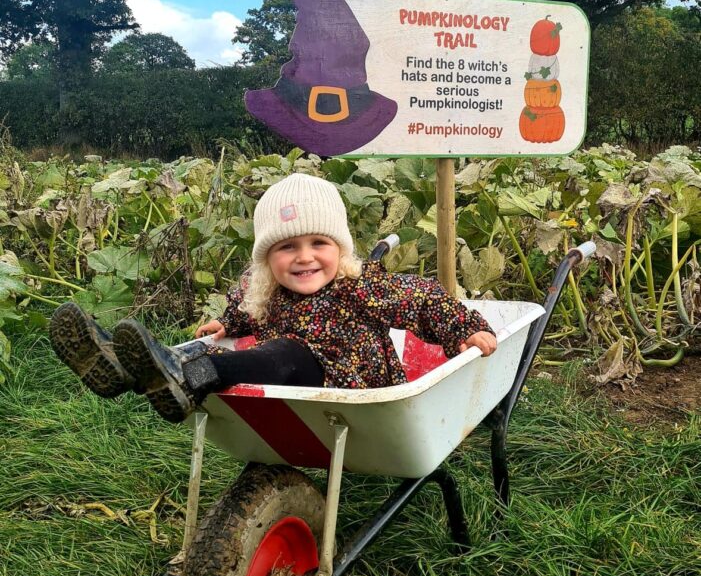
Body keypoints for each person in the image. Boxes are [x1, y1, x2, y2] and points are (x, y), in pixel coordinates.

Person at [49, 173, 496, 423]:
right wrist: (229, 325)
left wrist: (466, 328)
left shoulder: (361, 286)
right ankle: (124, 368)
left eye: (318, 244)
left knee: (283, 353)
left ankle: (189, 375)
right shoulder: (265, 291)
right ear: (268, 258)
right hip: (297, 397)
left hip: (360, 399)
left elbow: (422, 300)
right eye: (286, 247)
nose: (304, 259)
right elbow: (246, 307)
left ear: (340, 250)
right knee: (263, 352)